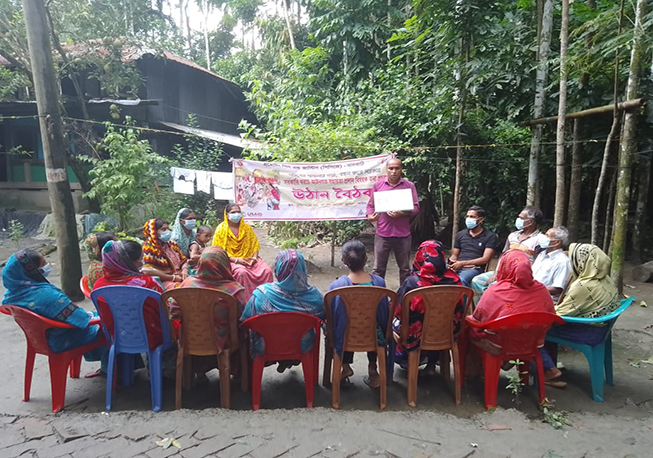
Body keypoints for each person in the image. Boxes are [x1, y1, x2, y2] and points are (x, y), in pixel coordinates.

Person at [2, 250, 107, 375]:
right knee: (111, 326)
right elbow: (82, 319)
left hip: (41, 338)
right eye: (44, 263)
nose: (47, 265)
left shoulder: (13, 293)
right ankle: (114, 371)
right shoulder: (47, 296)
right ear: (33, 270)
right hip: (61, 339)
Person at [466, 249, 555, 382]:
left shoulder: (495, 291)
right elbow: (550, 315)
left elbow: (479, 319)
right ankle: (520, 374)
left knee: (468, 330)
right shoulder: (542, 290)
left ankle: (475, 374)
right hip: (531, 343)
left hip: (499, 345)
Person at [540, 243, 621, 388]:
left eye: (573, 259)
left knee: (534, 330)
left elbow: (559, 314)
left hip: (588, 331)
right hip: (601, 327)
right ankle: (549, 365)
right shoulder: (605, 279)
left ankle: (548, 370)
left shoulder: (584, 286)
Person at [240, 249, 324, 372]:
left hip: (267, 345)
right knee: (297, 332)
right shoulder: (315, 297)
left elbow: (245, 320)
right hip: (301, 345)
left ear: (279, 269)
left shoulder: (262, 294)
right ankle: (290, 360)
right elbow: (325, 318)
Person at [393, 240, 464, 375]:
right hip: (448, 332)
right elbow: (459, 308)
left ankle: (408, 362)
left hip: (417, 335)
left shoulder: (413, 282)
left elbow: (398, 311)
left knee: (393, 322)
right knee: (437, 322)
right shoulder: (455, 280)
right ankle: (432, 364)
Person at [328, 240, 390, 388]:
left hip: (346, 335)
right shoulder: (379, 283)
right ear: (366, 258)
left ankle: (345, 366)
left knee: (341, 323)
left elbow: (332, 315)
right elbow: (384, 315)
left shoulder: (337, 286)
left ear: (343, 261)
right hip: (374, 336)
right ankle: (373, 369)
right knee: (374, 324)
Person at [173, 246, 247, 352]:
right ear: (224, 264)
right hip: (223, 340)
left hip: (189, 339)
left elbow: (175, 312)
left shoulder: (187, 284)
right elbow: (242, 318)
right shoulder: (234, 290)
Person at [93, 240, 164, 350]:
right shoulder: (147, 284)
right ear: (129, 262)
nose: (142, 262)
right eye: (140, 259)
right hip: (152, 338)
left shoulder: (98, 286)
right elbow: (164, 308)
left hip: (117, 337)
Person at [366, 157, 420, 285]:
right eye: (391, 168)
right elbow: (370, 205)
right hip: (383, 233)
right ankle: (378, 298)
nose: (394, 171)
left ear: (401, 169)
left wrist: (402, 213)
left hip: (403, 234)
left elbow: (416, 207)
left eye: (397, 168)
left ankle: (404, 298)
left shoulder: (409, 186)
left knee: (405, 269)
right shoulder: (378, 185)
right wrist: (370, 216)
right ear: (386, 170)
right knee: (378, 269)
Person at [471, 205, 544, 299]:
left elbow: (539, 263)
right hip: (503, 271)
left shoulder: (539, 239)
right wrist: (496, 272)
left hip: (521, 276)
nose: (518, 219)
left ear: (530, 222)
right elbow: (503, 255)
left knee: (494, 287)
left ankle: (495, 309)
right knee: (477, 281)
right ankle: (483, 308)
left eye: (521, 218)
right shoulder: (512, 236)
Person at [211, 203, 273, 300]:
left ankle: (265, 300)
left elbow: (254, 246)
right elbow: (218, 251)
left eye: (238, 212)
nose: (236, 214)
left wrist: (254, 258)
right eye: (233, 212)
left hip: (250, 258)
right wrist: (237, 260)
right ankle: (246, 302)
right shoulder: (221, 230)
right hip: (230, 260)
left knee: (267, 271)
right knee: (242, 272)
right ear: (227, 215)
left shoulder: (247, 228)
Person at [449, 206, 499, 287]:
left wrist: (462, 263)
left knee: (461, 280)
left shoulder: (490, 236)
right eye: (467, 216)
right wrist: (451, 263)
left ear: (481, 220)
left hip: (474, 268)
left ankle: (463, 300)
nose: (468, 219)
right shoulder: (460, 234)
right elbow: (454, 256)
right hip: (458, 266)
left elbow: (485, 259)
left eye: (472, 217)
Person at [142, 218, 188, 290]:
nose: (167, 232)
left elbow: (184, 260)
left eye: (167, 229)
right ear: (154, 232)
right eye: (163, 229)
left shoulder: (171, 244)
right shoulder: (149, 248)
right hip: (163, 281)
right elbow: (146, 270)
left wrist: (185, 270)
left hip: (180, 277)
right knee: (185, 290)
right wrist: (173, 278)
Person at [532, 226, 572, 304]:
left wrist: (534, 290)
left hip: (545, 300)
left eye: (547, 235)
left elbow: (557, 289)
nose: (543, 237)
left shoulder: (562, 261)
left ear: (557, 242)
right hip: (532, 295)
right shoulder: (541, 255)